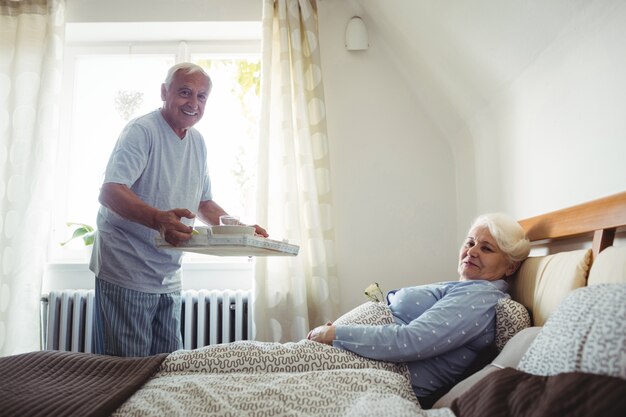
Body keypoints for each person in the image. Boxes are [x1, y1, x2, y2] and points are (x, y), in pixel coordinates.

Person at [90, 62, 268, 357]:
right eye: (185, 92)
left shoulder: (197, 142)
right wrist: (159, 219)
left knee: (167, 367)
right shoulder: (142, 131)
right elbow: (110, 191)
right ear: (164, 92)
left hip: (167, 274)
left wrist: (242, 231)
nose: (193, 103)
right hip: (126, 268)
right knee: (126, 373)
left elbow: (204, 202)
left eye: (201, 97)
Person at [307, 213, 530, 405]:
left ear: (510, 266)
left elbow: (412, 340)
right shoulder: (468, 288)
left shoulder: (480, 296)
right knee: (272, 362)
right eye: (470, 243)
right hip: (359, 358)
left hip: (381, 372)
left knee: (273, 366)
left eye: (486, 248)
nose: (472, 252)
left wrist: (336, 333)